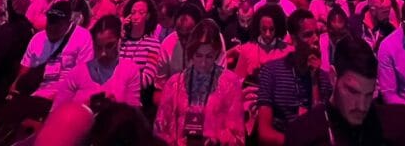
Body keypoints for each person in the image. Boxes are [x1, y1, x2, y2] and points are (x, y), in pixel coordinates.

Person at [154, 19, 245, 146]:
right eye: (198, 55)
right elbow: (159, 131)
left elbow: (238, 136)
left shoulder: (230, 83)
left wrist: (215, 139)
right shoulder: (174, 83)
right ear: (191, 53)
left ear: (217, 54)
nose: (203, 63)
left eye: (209, 56)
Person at [284, 35, 383, 146]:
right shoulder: (302, 133)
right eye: (353, 92)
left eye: (368, 95)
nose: (361, 106)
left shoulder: (379, 125)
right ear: (333, 77)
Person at [257, 9, 332, 146]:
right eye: (308, 35)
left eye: (317, 33)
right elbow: (264, 132)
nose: (315, 39)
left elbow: (322, 125)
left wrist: (314, 80)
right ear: (294, 40)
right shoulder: (271, 71)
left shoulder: (323, 78)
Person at [9, 0, 94, 114]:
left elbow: (83, 74)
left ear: (68, 23)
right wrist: (15, 84)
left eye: (57, 26)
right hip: (32, 93)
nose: (52, 29)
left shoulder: (82, 37)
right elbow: (26, 66)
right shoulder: (38, 38)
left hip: (58, 101)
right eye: (50, 25)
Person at [51, 15, 141, 110]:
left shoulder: (130, 70)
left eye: (109, 46)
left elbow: (133, 114)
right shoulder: (78, 72)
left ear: (120, 40)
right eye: (98, 47)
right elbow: (57, 110)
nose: (103, 53)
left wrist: (116, 109)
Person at [118, 0, 164, 92]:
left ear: (148, 16)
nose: (136, 16)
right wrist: (119, 35)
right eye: (133, 12)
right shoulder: (121, 41)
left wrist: (121, 77)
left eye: (141, 13)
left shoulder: (153, 45)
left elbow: (147, 80)